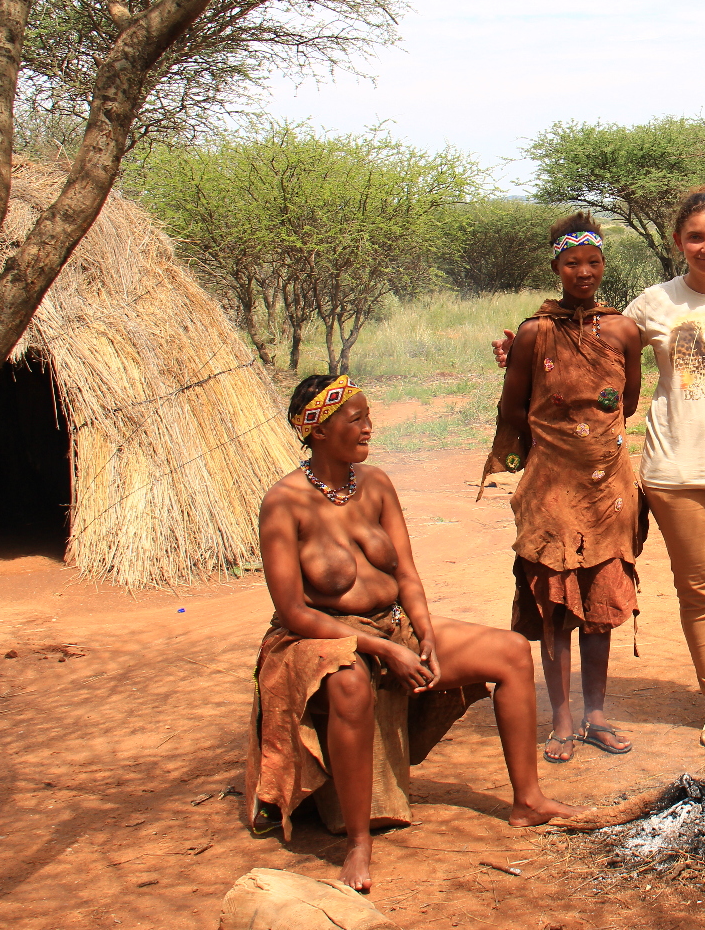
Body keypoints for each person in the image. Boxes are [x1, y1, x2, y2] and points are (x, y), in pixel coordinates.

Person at [494, 187, 705, 751]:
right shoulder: (652, 303)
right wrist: (521, 349)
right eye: (695, 237)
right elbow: (591, 346)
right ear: (678, 242)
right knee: (699, 590)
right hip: (673, 466)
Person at [246, 376, 578, 892]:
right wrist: (377, 649)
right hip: (318, 638)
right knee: (351, 683)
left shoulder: (375, 483)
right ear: (316, 430)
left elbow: (407, 575)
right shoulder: (283, 503)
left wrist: (421, 632)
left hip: (389, 626)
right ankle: (358, 844)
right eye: (354, 418)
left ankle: (527, 800)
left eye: (367, 415)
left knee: (511, 653)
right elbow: (292, 610)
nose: (367, 426)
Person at [479, 211, 645, 764]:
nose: (584, 271)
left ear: (603, 265)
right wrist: (521, 467)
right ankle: (563, 720)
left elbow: (630, 400)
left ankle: (596, 713)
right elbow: (513, 406)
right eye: (572, 262)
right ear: (556, 266)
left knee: (601, 600)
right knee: (554, 605)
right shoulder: (534, 333)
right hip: (551, 486)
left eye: (593, 261)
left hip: (608, 489)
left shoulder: (622, 330)